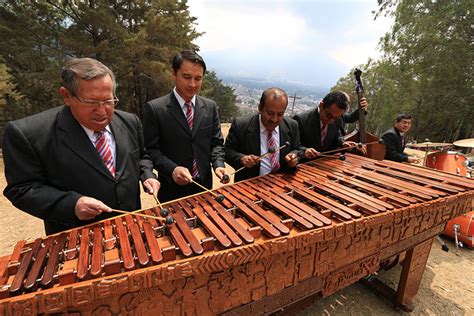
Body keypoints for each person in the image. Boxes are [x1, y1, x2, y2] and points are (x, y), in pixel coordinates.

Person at [2, 57, 160, 235]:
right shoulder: (28, 134)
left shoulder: (130, 122)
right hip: (78, 239)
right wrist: (72, 204)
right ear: (66, 96)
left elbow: (141, 157)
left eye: (108, 101)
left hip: (132, 229)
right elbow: (22, 189)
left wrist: (147, 174)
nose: (102, 111)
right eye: (92, 103)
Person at [143, 51, 228, 202]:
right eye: (187, 77)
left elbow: (216, 143)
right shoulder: (155, 109)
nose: (192, 84)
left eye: (198, 78)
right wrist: (172, 169)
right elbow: (150, 150)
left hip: (204, 187)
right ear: (174, 74)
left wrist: (218, 164)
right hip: (171, 189)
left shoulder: (210, 107)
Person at [225, 88, 309, 182]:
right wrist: (241, 158)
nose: (274, 119)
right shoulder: (241, 125)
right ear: (260, 108)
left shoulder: (292, 125)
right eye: (270, 113)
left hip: (282, 183)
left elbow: (298, 148)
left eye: (280, 114)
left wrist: (294, 156)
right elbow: (227, 151)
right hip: (250, 185)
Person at [293, 91, 366, 157]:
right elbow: (293, 147)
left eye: (336, 118)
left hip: (324, 164)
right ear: (321, 106)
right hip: (304, 166)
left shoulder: (337, 119)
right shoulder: (301, 120)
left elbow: (336, 137)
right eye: (329, 116)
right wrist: (304, 151)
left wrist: (342, 143)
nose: (331, 121)